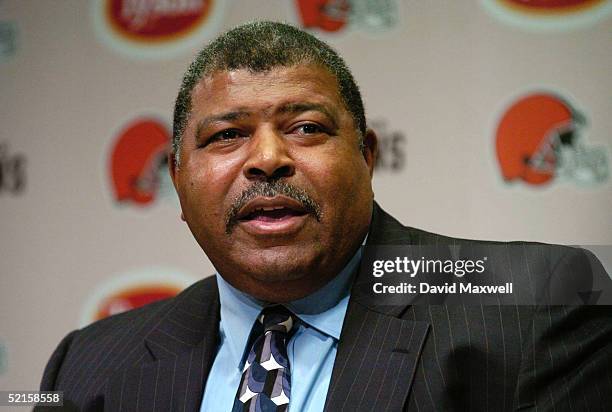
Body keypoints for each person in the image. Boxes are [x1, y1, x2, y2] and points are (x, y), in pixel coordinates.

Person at [40, 21, 611, 411]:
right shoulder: (87, 367)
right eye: (227, 135)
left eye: (306, 128)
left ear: (366, 156)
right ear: (178, 178)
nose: (266, 159)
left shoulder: (542, 307)